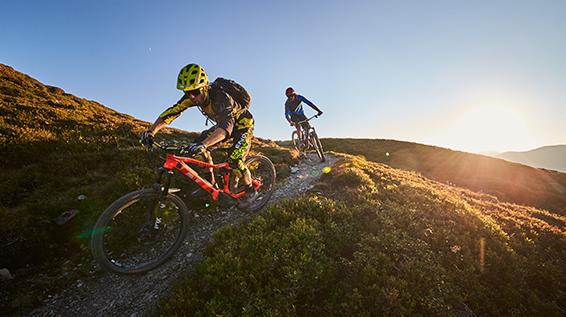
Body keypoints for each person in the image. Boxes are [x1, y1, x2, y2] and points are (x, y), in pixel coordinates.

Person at [139, 63, 257, 206]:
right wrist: (151, 131)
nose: (192, 96)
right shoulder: (191, 97)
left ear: (205, 86)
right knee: (198, 145)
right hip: (223, 126)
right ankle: (210, 183)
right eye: (187, 92)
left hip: (242, 126)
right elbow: (171, 112)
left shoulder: (221, 97)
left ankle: (251, 189)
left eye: (195, 91)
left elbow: (226, 128)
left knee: (235, 159)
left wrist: (204, 144)